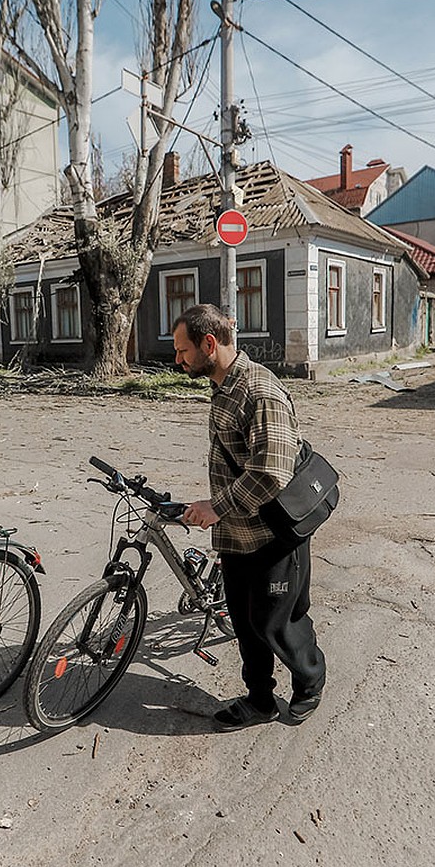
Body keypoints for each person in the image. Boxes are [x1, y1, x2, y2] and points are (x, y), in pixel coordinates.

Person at [173, 304, 326, 731]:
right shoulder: (223, 385)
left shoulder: (261, 391)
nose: (178, 359)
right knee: (244, 620)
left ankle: (310, 681)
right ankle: (259, 698)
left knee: (276, 621)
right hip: (237, 535)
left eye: (183, 350)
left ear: (209, 344)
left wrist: (215, 506)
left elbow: (272, 473)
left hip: (275, 533)